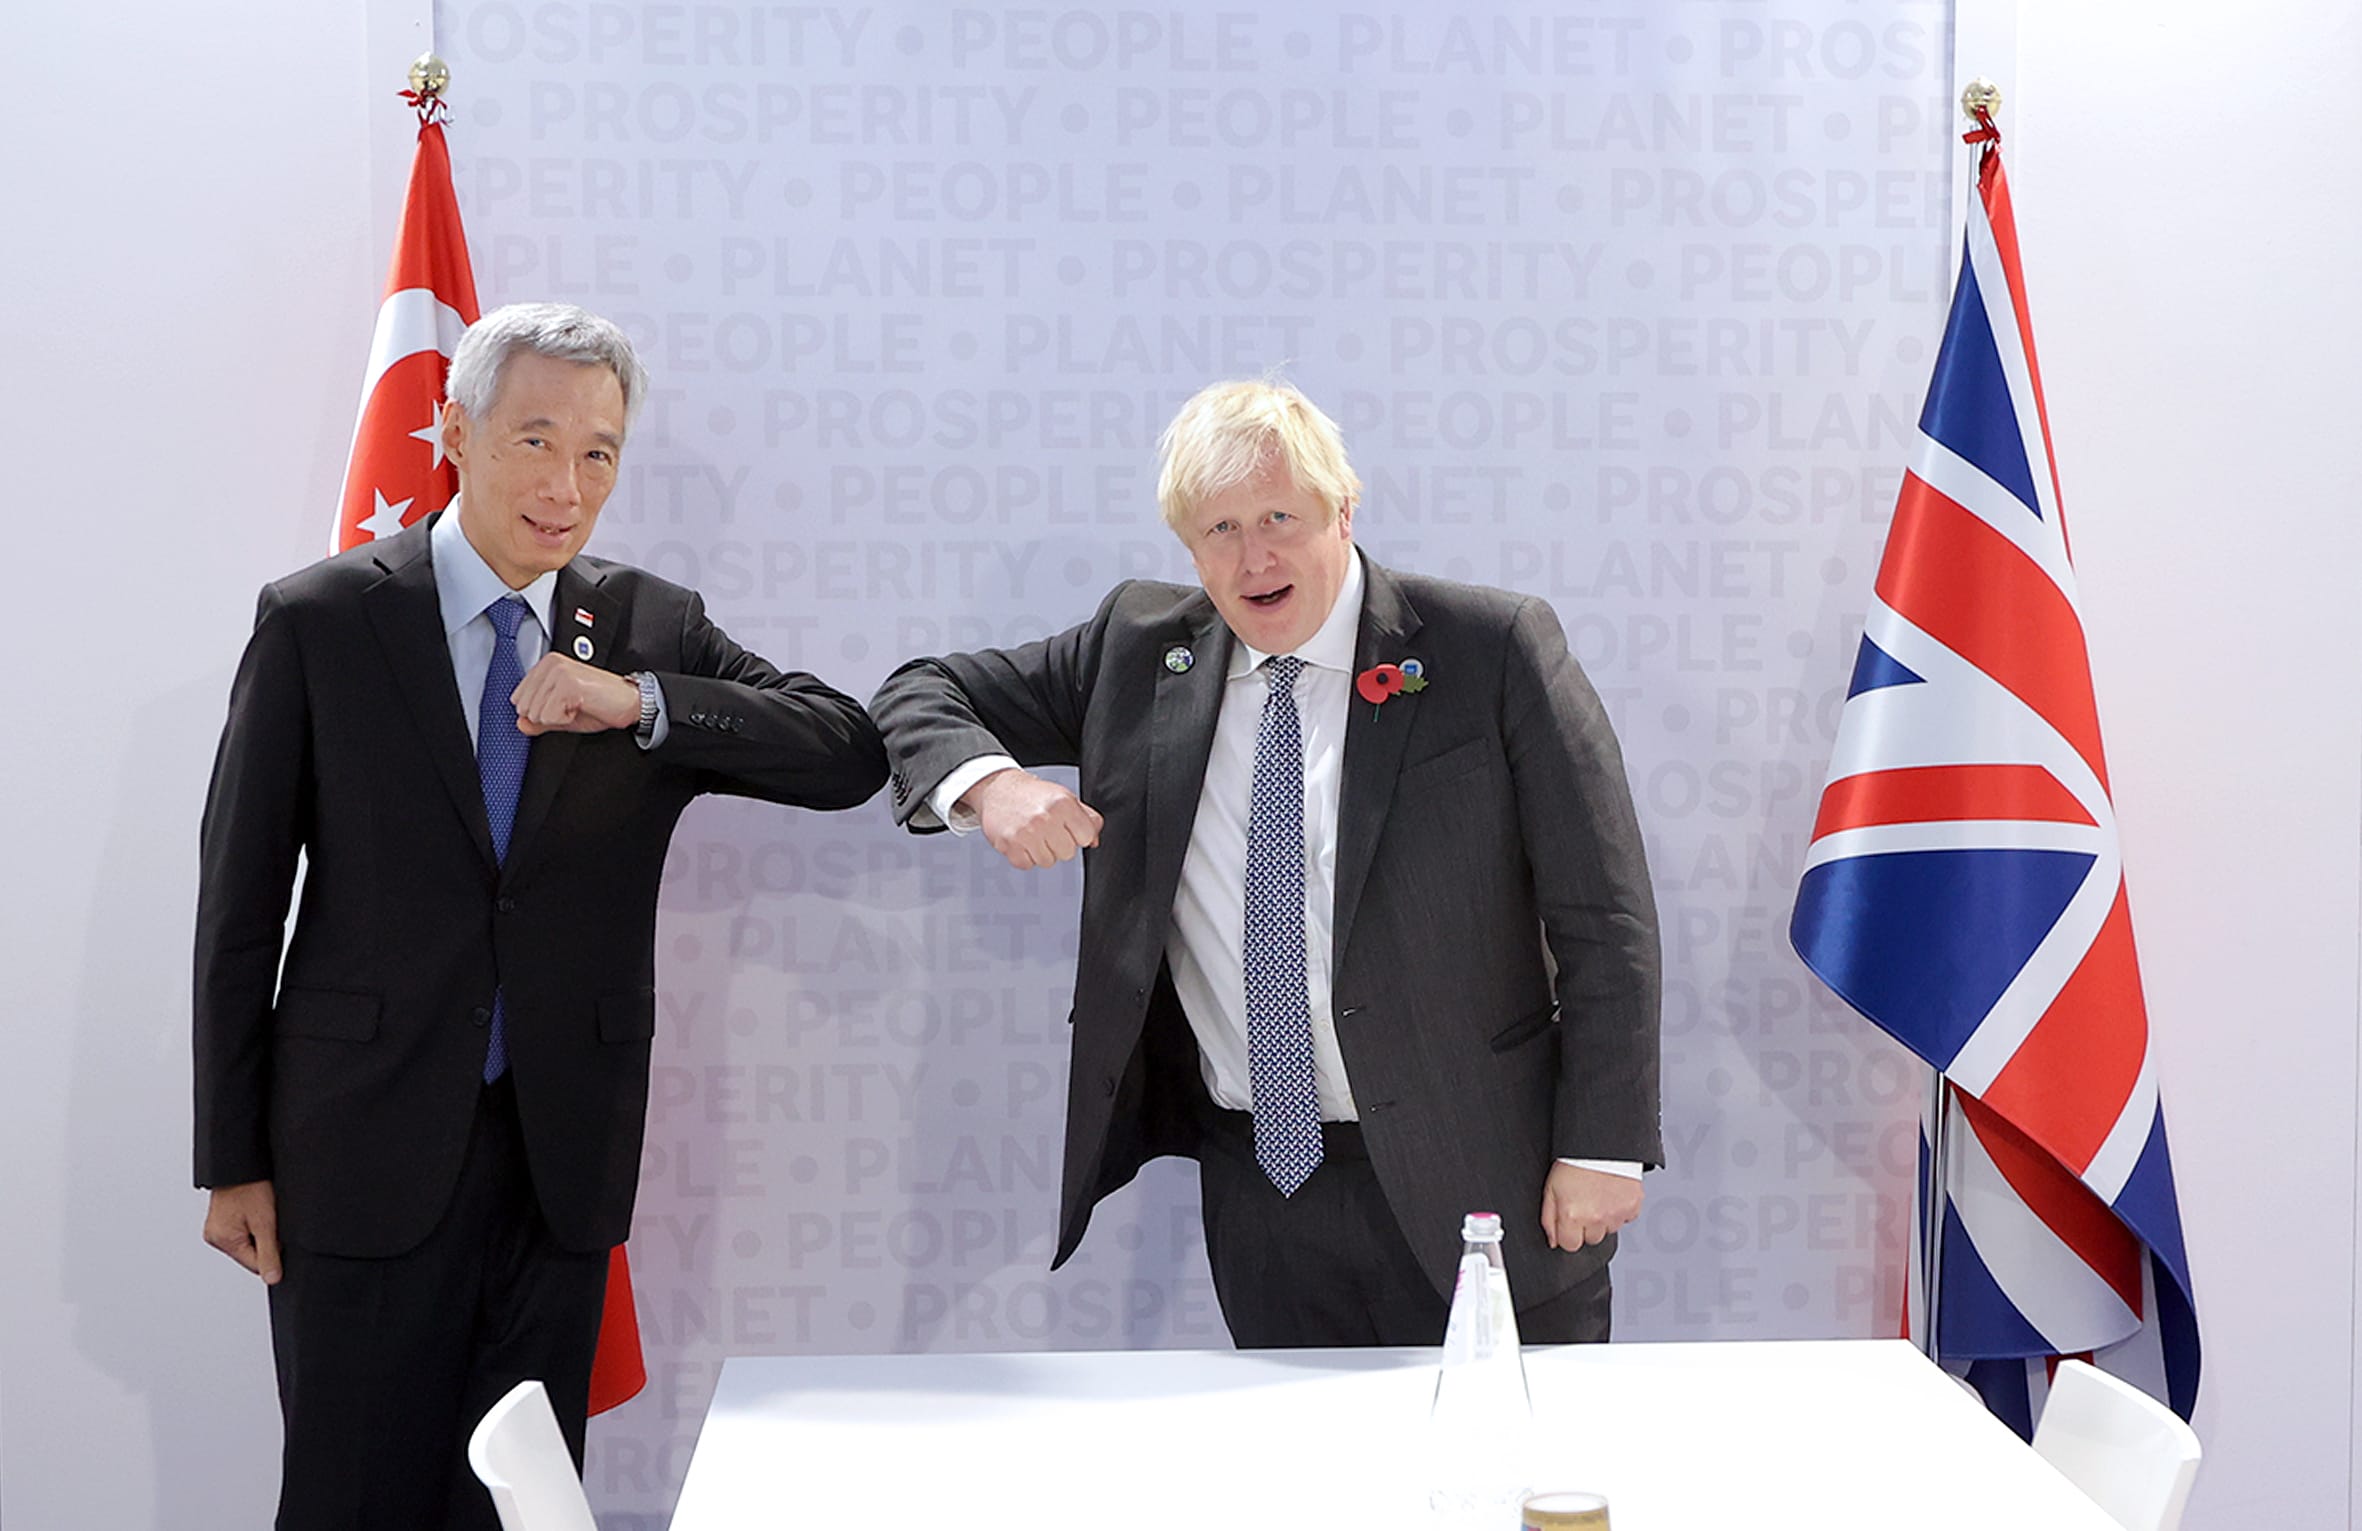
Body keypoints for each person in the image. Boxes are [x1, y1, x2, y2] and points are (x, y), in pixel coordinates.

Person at [192, 303, 887, 1529]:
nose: (569, 485)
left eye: (602, 452)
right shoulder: (322, 619)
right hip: (353, 1150)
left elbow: (845, 749)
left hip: (559, 1155)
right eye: (537, 440)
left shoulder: (649, 629)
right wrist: (230, 1153)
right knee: (353, 1497)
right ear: (456, 432)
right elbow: (239, 907)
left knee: (522, 1503)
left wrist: (640, 703)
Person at [870, 379, 1661, 1347]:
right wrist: (989, 785)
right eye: (1219, 530)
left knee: (1500, 1490)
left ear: (1343, 507)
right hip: (1263, 1192)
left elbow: (1604, 917)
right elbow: (920, 692)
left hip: (1485, 1177)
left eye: (1280, 516)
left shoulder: (1488, 649)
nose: (1255, 558)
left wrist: (1603, 1142)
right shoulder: (1135, 652)